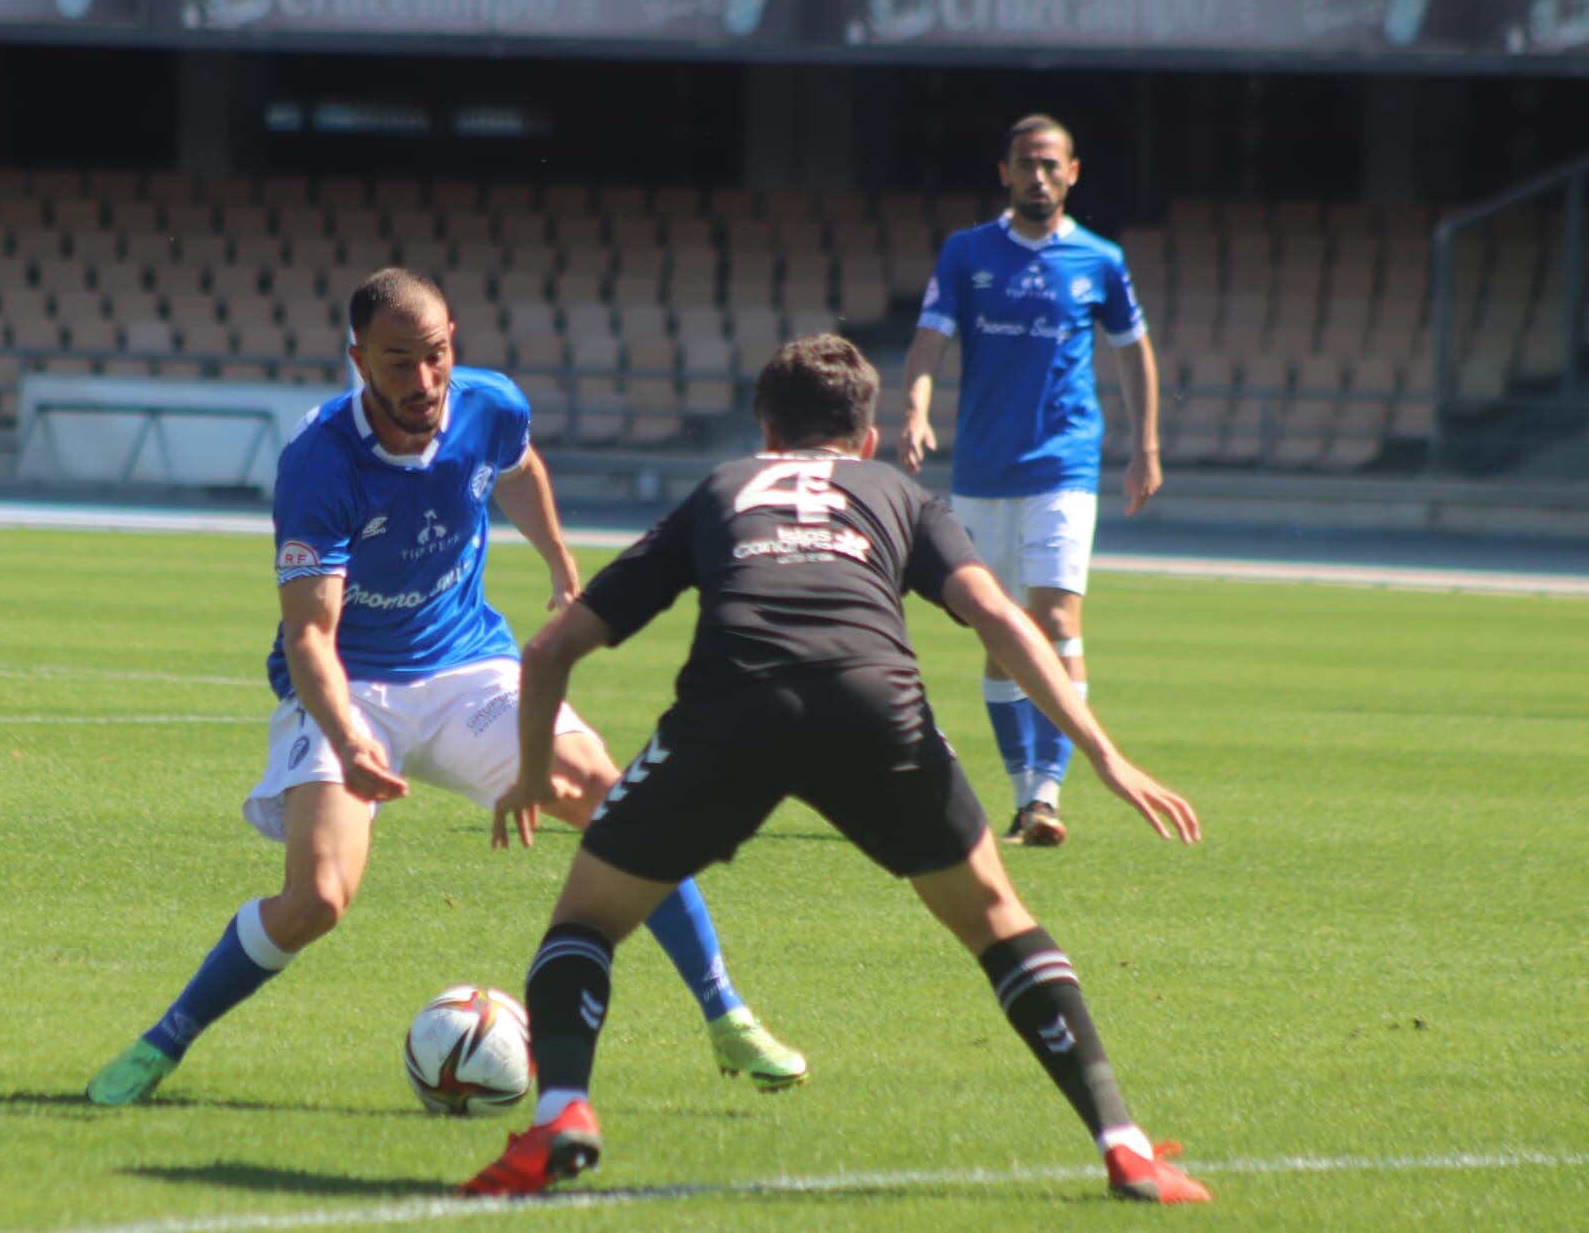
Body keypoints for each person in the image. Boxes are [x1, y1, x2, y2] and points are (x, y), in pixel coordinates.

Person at [461, 334, 1209, 1205]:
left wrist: (524, 771)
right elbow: (998, 615)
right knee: (1000, 921)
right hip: (872, 703)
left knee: (584, 921)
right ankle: (1124, 1148)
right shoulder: (899, 490)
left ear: (766, 431)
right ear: (868, 437)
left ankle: (561, 1114)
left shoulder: (722, 487)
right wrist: (1103, 754)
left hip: (732, 709)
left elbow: (551, 646)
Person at [85, 267, 805, 1106]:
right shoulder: (319, 463)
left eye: (435, 356)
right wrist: (349, 736)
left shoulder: (489, 402)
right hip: (350, 689)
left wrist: (558, 560)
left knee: (622, 802)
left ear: (453, 341)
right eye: (397, 363)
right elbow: (310, 635)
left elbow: (517, 464)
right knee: (316, 897)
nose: (423, 382)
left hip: (468, 668)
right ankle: (163, 1042)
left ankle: (726, 1015)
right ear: (357, 361)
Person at [898, 113, 1163, 849]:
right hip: (982, 470)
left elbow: (1133, 352)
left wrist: (1145, 445)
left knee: (1054, 623)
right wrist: (915, 412)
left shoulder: (1100, 260)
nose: (1037, 177)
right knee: (998, 631)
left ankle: (1045, 795)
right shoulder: (967, 254)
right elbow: (927, 343)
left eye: (1051, 164)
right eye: (1025, 164)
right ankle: (1025, 797)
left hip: (1063, 467)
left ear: (1073, 172)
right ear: (1004, 173)